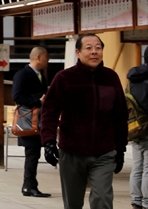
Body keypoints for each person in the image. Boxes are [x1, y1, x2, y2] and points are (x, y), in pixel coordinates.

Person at [41, 34, 127, 209]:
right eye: (89, 48)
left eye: (98, 47)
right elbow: (49, 112)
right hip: (72, 151)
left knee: (102, 198)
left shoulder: (111, 78)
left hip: (104, 152)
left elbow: (120, 115)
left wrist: (120, 149)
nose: (94, 52)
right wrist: (48, 142)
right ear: (78, 52)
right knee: (73, 204)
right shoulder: (64, 78)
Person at [12, 46, 49, 198]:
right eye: (47, 57)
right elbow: (17, 96)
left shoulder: (41, 75)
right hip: (29, 119)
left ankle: (30, 185)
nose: (48, 60)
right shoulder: (22, 74)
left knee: (34, 153)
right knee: (32, 153)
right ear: (38, 57)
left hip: (39, 119)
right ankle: (29, 186)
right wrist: (37, 101)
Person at [130, 50, 148, 209]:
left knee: (137, 165)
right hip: (147, 128)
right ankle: (147, 202)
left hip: (134, 128)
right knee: (147, 167)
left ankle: (136, 200)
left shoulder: (132, 78)